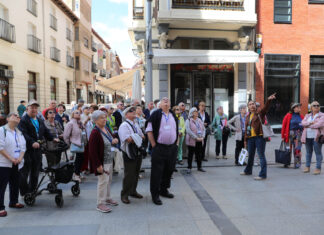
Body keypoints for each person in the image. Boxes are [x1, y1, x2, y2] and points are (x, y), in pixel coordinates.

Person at [18, 100, 56, 196]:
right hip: (26, 150)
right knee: (24, 173)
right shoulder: (23, 120)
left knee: (35, 171)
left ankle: (33, 190)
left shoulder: (39, 120)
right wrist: (32, 142)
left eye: (35, 107)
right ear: (27, 108)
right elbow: (23, 134)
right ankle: (24, 192)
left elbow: (45, 131)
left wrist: (53, 138)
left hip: (37, 149)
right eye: (32, 107)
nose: (34, 109)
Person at [146, 97, 178, 206]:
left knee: (169, 170)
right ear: (159, 105)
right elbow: (149, 130)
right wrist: (154, 145)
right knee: (157, 172)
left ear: (170, 104)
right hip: (159, 147)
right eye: (164, 100)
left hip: (171, 148)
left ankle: (164, 190)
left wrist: (176, 144)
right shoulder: (155, 114)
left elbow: (176, 130)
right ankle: (155, 194)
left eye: (168, 100)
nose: (166, 101)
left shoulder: (173, 114)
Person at [240, 93, 276, 180]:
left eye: (253, 104)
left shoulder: (260, 113)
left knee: (261, 155)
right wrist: (245, 140)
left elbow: (265, 108)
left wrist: (269, 100)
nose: (252, 106)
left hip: (259, 137)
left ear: (255, 105)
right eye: (250, 104)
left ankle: (263, 174)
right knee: (251, 155)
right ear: (248, 107)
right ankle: (248, 170)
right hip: (250, 138)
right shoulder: (248, 116)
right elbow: (246, 129)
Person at [88, 111, 119, 213]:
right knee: (102, 182)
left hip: (109, 159)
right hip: (102, 162)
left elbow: (110, 138)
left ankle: (107, 197)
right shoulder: (95, 132)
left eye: (105, 117)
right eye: (102, 118)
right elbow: (92, 151)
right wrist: (98, 165)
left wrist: (114, 140)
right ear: (95, 120)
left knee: (108, 181)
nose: (105, 119)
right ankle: (100, 203)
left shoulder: (105, 128)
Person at [0, 113, 26, 217]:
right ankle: (0, 207)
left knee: (15, 183)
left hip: (17, 162)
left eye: (18, 116)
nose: (17, 117)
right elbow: (0, 147)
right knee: (1, 186)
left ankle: (13, 202)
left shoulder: (19, 132)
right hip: (4, 163)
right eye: (14, 115)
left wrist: (19, 158)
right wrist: (11, 159)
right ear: (8, 119)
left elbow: (23, 147)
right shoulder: (2, 130)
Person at [118, 107, 144, 204]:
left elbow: (142, 136)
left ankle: (133, 191)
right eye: (130, 111)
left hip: (137, 150)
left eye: (134, 110)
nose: (133, 112)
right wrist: (137, 137)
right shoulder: (124, 125)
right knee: (129, 174)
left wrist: (135, 137)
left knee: (136, 173)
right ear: (126, 115)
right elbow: (128, 139)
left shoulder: (135, 123)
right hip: (129, 152)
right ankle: (124, 194)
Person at [63, 110, 87, 182]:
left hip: (82, 144)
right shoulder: (70, 123)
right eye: (76, 113)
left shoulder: (80, 123)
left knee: (81, 160)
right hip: (75, 144)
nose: (79, 114)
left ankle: (78, 174)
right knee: (77, 160)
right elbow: (66, 136)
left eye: (79, 113)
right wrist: (69, 144)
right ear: (72, 115)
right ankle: (75, 175)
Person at [301, 101, 324, 175]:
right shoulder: (307, 115)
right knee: (308, 152)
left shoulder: (322, 115)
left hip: (317, 137)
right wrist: (310, 123)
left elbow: (319, 124)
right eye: (314, 105)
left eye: (318, 105)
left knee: (318, 152)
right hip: (307, 136)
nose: (316, 106)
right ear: (311, 107)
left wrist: (308, 125)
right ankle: (307, 166)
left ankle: (318, 168)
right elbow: (302, 123)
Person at [281, 103, 304, 168]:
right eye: (297, 107)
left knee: (297, 149)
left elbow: (305, 125)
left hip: (298, 134)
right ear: (293, 108)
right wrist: (283, 136)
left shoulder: (301, 116)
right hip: (289, 134)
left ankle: (297, 164)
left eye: (299, 107)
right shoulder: (288, 115)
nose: (299, 108)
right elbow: (284, 126)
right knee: (288, 149)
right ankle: (286, 162)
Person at [186, 107, 206, 173]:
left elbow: (204, 129)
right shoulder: (188, 120)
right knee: (190, 154)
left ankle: (199, 167)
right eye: (195, 111)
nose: (197, 112)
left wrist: (203, 136)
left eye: (197, 111)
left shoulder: (199, 120)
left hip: (200, 139)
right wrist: (195, 137)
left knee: (199, 154)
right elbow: (188, 130)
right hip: (192, 140)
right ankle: (189, 167)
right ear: (192, 113)